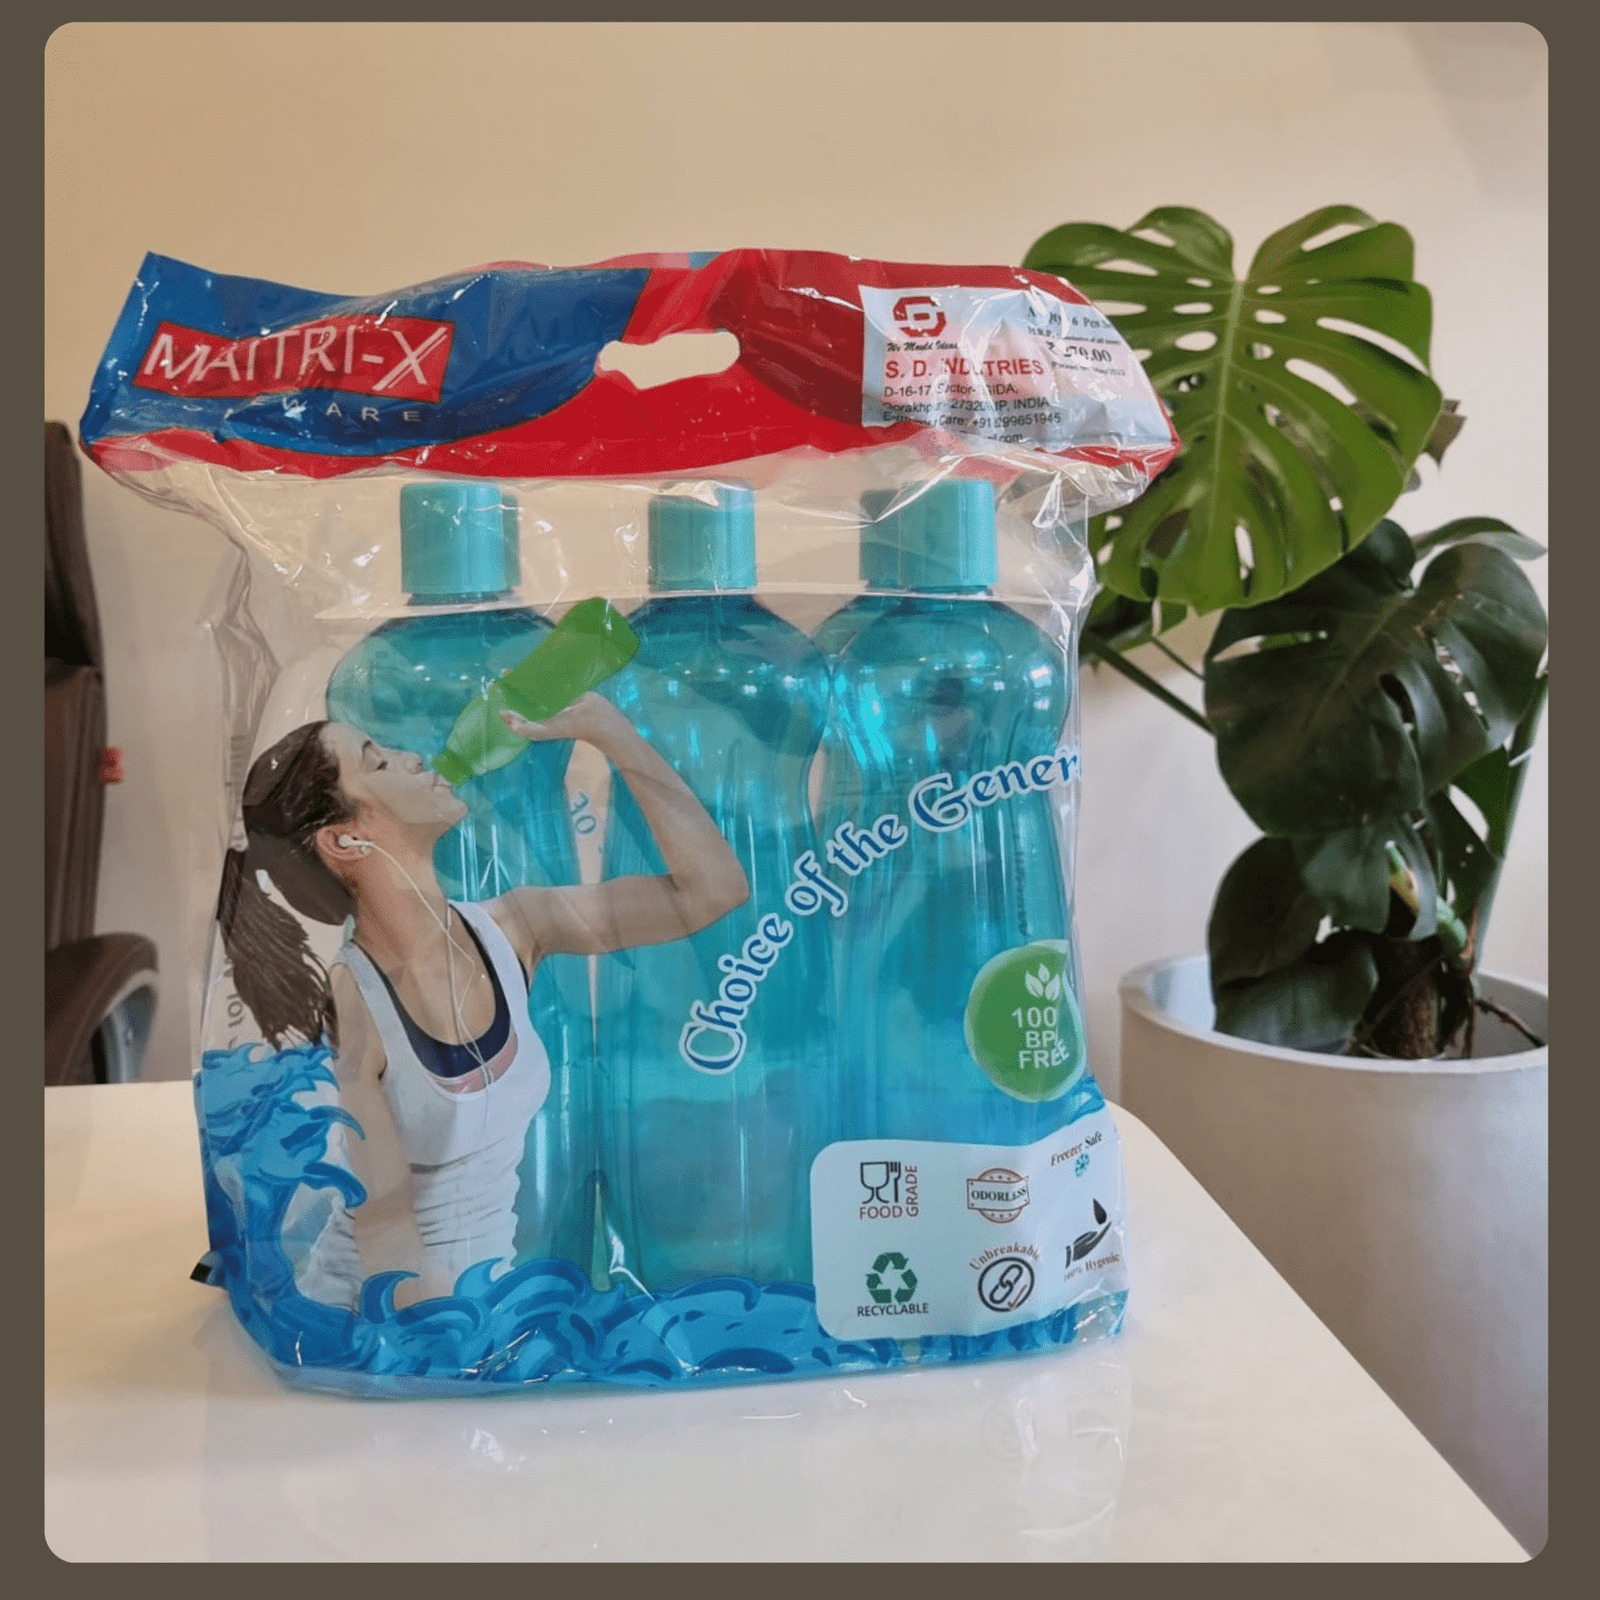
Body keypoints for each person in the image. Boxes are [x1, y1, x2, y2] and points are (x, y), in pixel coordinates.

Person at [216, 693, 749, 1308]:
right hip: (375, 1317)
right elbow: (387, 1236)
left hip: (474, 1307)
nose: (413, 756)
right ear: (347, 839)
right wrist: (484, 1336)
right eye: (378, 761)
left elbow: (713, 890)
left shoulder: (516, 929)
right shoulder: (352, 1002)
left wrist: (613, 733)